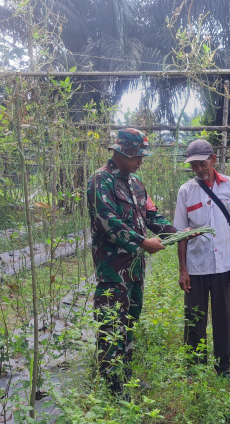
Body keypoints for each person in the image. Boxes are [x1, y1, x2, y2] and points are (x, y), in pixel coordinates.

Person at [87, 128, 178, 394]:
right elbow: (106, 220)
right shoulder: (100, 181)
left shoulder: (137, 183)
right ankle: (110, 385)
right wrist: (141, 242)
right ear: (122, 152)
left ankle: (125, 376)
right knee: (111, 322)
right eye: (137, 156)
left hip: (136, 268)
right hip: (112, 269)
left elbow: (151, 215)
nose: (141, 161)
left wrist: (177, 233)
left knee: (130, 321)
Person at [174, 139, 230, 376]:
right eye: (193, 166)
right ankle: (195, 365)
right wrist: (183, 270)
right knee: (195, 316)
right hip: (196, 265)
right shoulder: (186, 191)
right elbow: (180, 234)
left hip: (224, 263)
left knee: (224, 316)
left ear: (213, 159)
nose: (198, 169)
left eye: (202, 164)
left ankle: (223, 366)